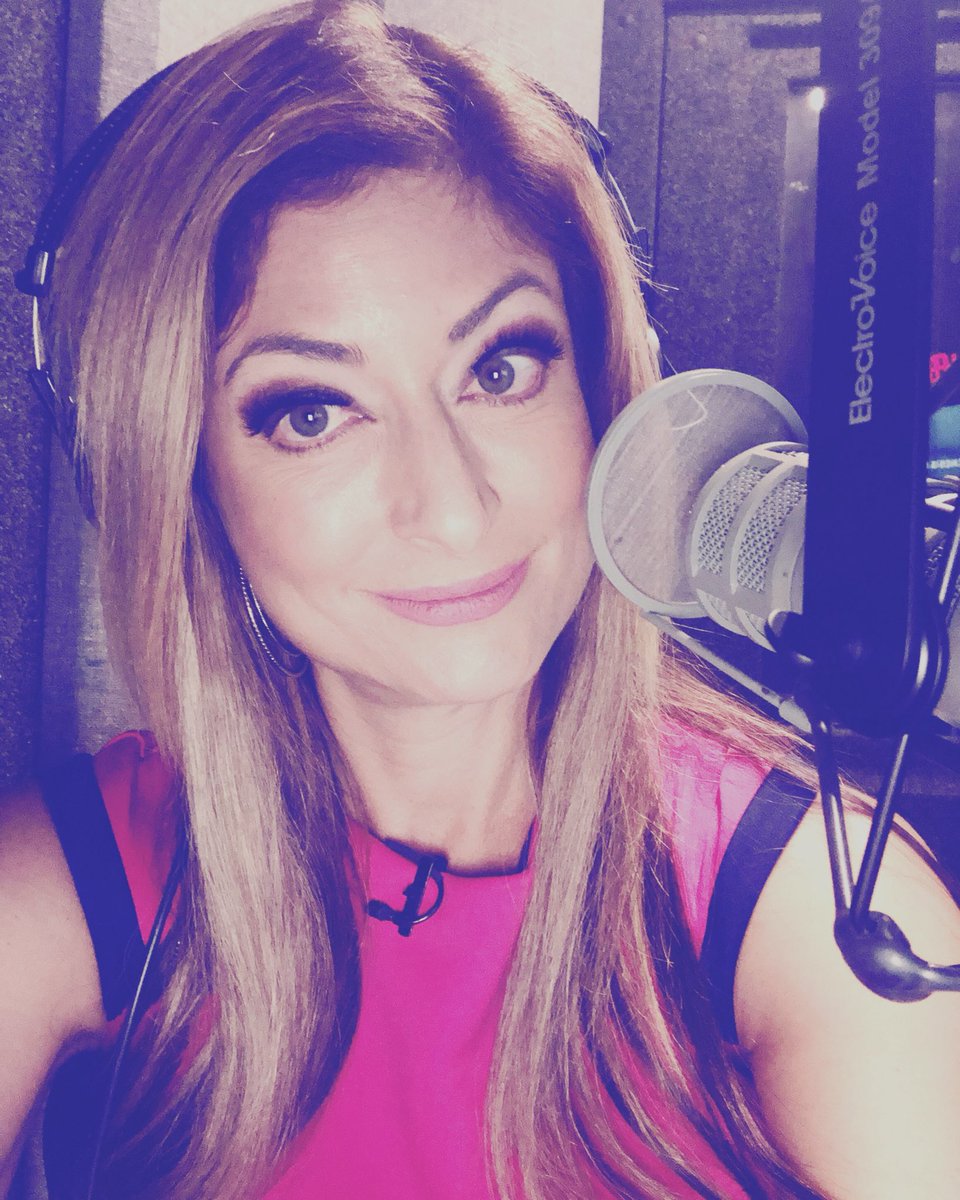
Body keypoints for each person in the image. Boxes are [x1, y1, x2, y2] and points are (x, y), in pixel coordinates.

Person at [3, 3, 960, 1198]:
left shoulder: (812, 909)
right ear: (184, 479)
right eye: (312, 410)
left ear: (599, 392)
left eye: (500, 367)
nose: (452, 508)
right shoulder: (70, 880)